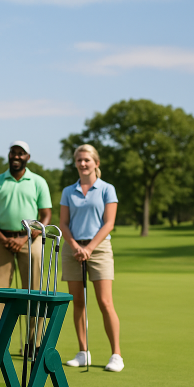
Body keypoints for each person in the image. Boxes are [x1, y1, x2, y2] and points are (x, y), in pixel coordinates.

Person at [0, 141, 52, 358]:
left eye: (21, 153)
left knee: (35, 291)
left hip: (31, 240)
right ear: (9, 155)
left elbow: (46, 214)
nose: (16, 156)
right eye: (13, 153)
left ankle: (34, 344)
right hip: (2, 239)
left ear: (28, 157)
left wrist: (26, 237)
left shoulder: (38, 181)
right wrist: (3, 238)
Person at [60, 144, 123, 372]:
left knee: (105, 302)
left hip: (100, 249)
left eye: (87, 159)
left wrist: (90, 248)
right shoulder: (69, 191)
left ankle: (116, 355)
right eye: (79, 160)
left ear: (96, 163)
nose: (83, 163)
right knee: (78, 302)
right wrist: (77, 246)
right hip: (73, 249)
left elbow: (109, 223)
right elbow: (63, 224)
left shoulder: (107, 189)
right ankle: (83, 351)